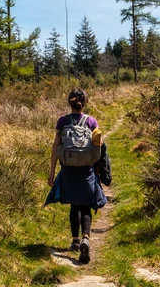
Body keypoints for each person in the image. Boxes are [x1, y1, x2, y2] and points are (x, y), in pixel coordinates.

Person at [45, 88, 107, 264]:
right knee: (86, 206)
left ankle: (75, 241)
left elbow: (55, 146)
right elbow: (98, 149)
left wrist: (51, 171)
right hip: (87, 171)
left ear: (69, 102)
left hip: (68, 170)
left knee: (74, 205)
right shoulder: (92, 121)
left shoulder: (63, 121)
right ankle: (86, 238)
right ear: (84, 102)